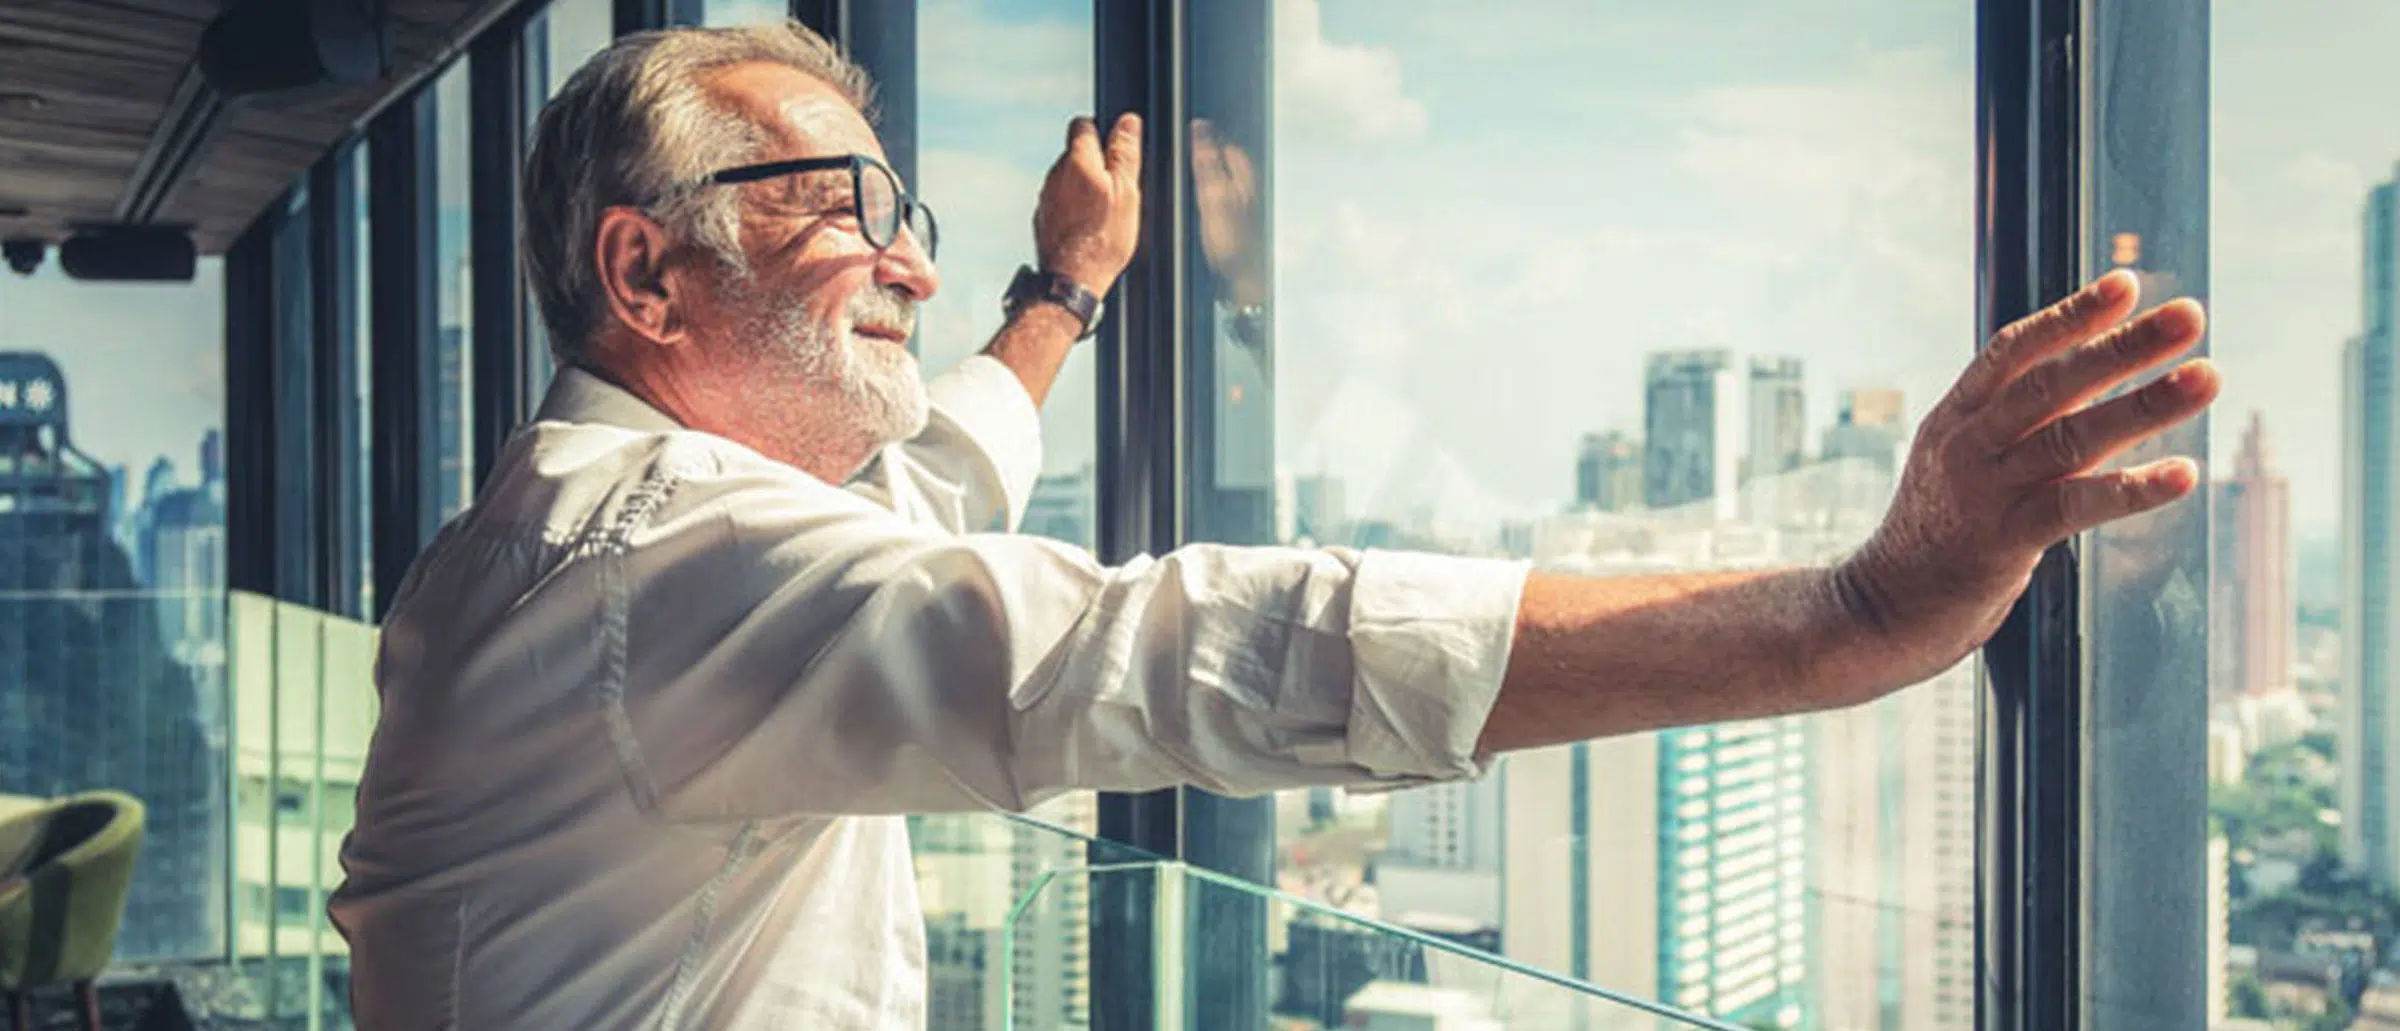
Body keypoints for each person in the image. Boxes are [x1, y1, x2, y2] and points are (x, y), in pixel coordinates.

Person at [328, 20, 2220, 1030]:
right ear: (643, 273)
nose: (904, 249)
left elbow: (940, 480)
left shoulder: (576, 541)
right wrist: (1861, 610)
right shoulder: (646, 574)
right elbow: (1156, 642)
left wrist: (1058, 292)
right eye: (841, 200)